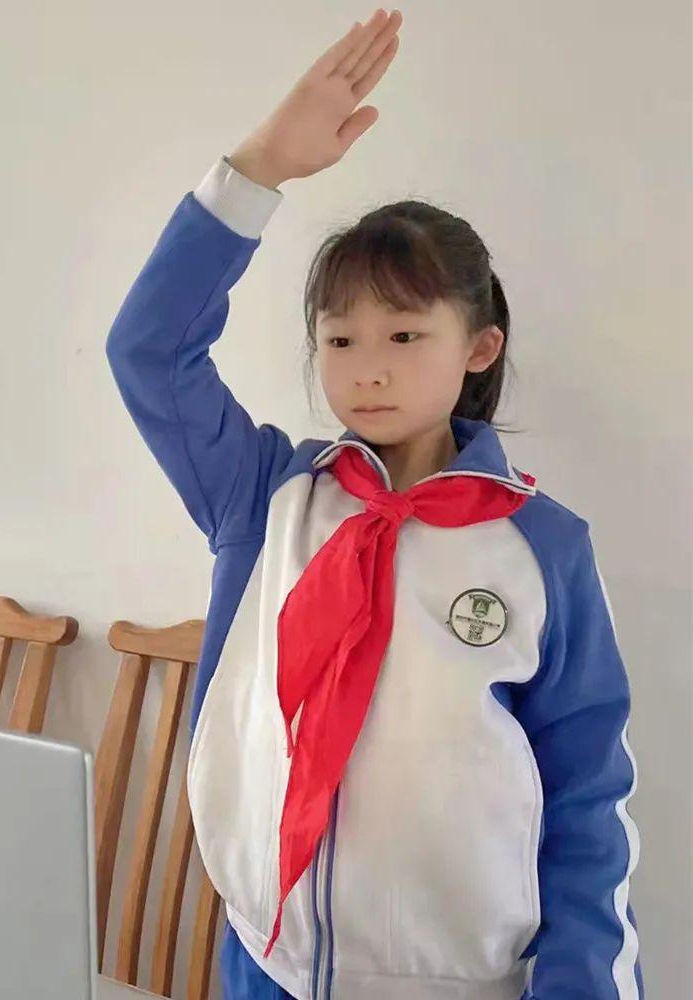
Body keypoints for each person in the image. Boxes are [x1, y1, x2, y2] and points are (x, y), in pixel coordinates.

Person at [105, 9, 642, 998]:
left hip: (463, 980)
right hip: (269, 964)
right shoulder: (265, 498)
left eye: (403, 336)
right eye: (340, 339)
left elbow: (586, 791)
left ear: (478, 346)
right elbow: (147, 351)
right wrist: (260, 168)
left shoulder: (544, 547)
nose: (368, 369)